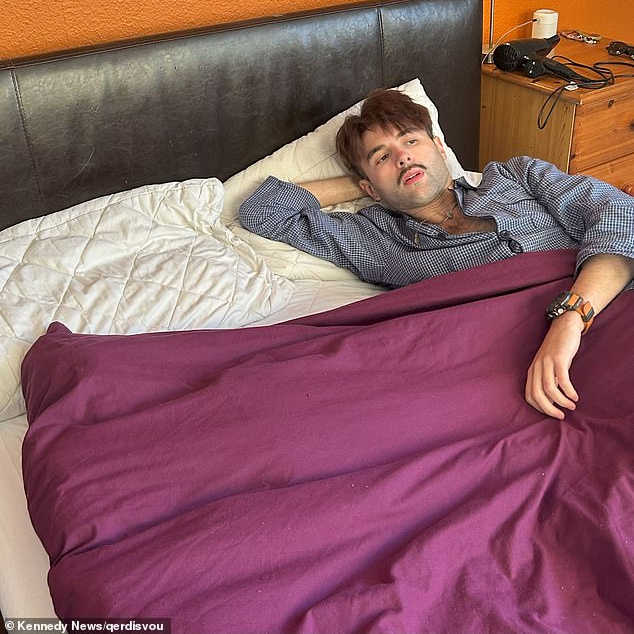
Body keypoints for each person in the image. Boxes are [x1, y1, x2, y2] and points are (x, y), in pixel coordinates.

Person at [239, 89, 634, 421]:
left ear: (440, 147)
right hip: (514, 361)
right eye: (382, 156)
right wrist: (367, 185)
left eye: (411, 141)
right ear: (369, 188)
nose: (403, 157)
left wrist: (570, 319)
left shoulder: (517, 175)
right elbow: (264, 210)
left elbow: (619, 214)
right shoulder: (376, 239)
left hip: (606, 313)